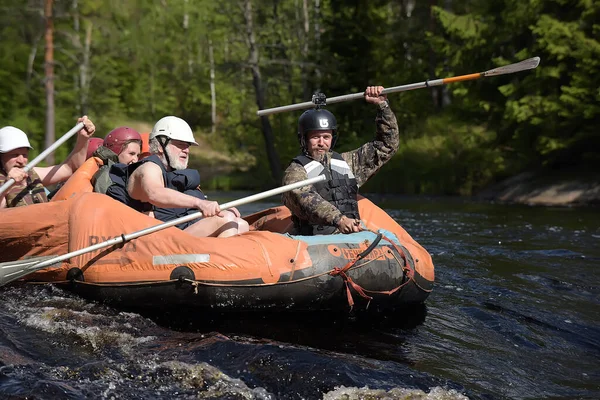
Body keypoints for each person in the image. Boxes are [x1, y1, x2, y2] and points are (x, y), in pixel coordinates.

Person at [281, 86, 399, 235]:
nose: (321, 143)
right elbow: (305, 199)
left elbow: (386, 146)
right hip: (314, 239)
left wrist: (383, 106)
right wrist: (339, 220)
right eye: (315, 137)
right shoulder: (295, 171)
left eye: (326, 137)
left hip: (352, 235)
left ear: (332, 138)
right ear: (304, 139)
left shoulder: (348, 162)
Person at [105, 116, 249, 238]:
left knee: (241, 224)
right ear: (161, 146)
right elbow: (154, 192)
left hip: (183, 228)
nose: (186, 150)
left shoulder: (172, 173)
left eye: (188, 146)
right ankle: (221, 269)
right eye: (180, 145)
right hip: (164, 241)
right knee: (226, 220)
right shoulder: (148, 167)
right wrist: (200, 204)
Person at [0, 116, 96, 208]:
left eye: (24, 155)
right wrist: (8, 185)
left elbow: (70, 168)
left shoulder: (32, 173)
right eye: (14, 155)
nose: (21, 161)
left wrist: (83, 138)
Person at [91, 127, 142, 194]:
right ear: (116, 151)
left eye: (137, 155)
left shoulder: (126, 174)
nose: (135, 160)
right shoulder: (106, 176)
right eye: (131, 154)